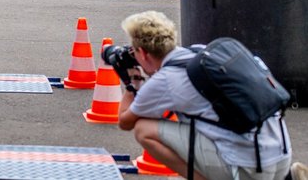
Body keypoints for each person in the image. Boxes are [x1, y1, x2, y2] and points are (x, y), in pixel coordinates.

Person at [117, 11, 305, 180]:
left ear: (142, 52)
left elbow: (125, 122)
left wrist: (132, 82)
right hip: (281, 155)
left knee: (144, 129)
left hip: (250, 168)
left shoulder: (165, 80)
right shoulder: (200, 53)